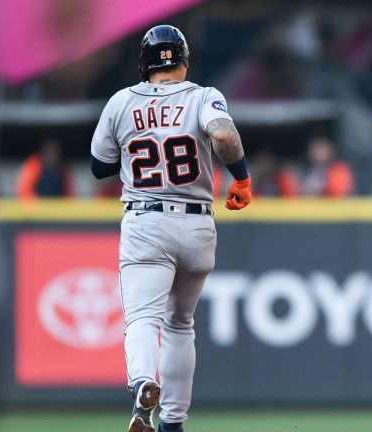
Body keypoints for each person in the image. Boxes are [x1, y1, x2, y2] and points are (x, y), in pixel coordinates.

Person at [90, 25, 252, 432]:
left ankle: (145, 383)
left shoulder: (121, 101)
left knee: (143, 318)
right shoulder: (203, 96)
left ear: (145, 63)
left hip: (146, 218)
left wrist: (141, 139)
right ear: (183, 60)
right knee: (181, 323)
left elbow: (99, 166)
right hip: (197, 222)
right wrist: (242, 179)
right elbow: (224, 135)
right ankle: (173, 423)